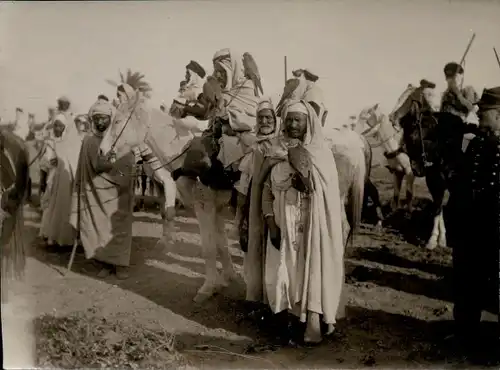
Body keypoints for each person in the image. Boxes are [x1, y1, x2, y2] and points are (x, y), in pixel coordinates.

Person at [246, 100, 345, 345]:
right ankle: (286, 324)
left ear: (307, 123)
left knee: (309, 272)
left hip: (311, 231)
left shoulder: (321, 154)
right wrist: (271, 224)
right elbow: (266, 190)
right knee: (282, 273)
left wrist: (304, 178)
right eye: (288, 119)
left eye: (297, 120)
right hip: (281, 226)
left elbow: (325, 194)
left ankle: (311, 322)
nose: (292, 124)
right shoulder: (274, 149)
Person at [446, 86, 500, 362]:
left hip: (493, 230)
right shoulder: (476, 142)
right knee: (467, 283)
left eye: (485, 112)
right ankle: (465, 333)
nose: (479, 114)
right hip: (470, 229)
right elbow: (460, 182)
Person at [70, 99, 136, 279]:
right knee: (100, 228)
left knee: (118, 227)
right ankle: (106, 263)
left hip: (117, 192)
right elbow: (84, 167)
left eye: (104, 118)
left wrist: (115, 165)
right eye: (97, 118)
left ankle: (121, 264)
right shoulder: (88, 141)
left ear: (111, 119)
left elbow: (128, 162)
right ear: (92, 119)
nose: (100, 122)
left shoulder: (121, 141)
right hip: (95, 192)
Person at [39, 110, 82, 247]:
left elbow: (74, 162)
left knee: (64, 208)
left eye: (60, 126)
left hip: (66, 181)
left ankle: (64, 239)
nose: (57, 128)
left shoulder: (72, 143)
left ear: (66, 127)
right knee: (50, 207)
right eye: (55, 125)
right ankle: (50, 236)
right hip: (52, 179)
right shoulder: (51, 141)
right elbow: (45, 163)